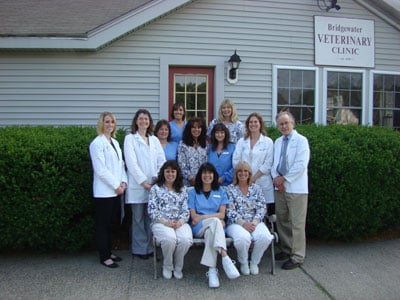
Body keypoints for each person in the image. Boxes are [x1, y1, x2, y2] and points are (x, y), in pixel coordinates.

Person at [188, 162, 240, 288]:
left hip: (213, 229)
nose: (207, 175)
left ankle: (212, 271)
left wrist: (203, 217)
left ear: (214, 175)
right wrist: (214, 218)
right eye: (204, 173)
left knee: (212, 231)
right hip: (198, 227)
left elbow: (223, 215)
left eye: (210, 173)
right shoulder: (192, 192)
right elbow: (194, 217)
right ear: (200, 175)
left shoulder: (221, 192)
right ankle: (225, 256)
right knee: (216, 222)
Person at [124, 109, 166, 259]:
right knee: (138, 218)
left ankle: (151, 248)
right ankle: (140, 249)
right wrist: (144, 182)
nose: (143, 121)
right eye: (141, 119)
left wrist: (156, 179)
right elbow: (131, 163)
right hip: (138, 185)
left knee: (151, 218)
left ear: (149, 122)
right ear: (136, 121)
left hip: (154, 185)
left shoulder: (154, 140)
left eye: (146, 119)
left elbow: (162, 160)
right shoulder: (130, 139)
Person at [271, 111, 310, 270]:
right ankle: (286, 250)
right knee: (282, 220)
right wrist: (276, 178)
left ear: (292, 123)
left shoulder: (301, 141)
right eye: (281, 124)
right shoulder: (278, 142)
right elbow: (274, 164)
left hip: (296, 188)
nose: (283, 126)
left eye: (286, 123)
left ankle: (297, 256)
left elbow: (301, 165)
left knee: (297, 223)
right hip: (280, 188)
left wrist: (284, 179)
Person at [89, 112, 127, 268]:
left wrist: (123, 182)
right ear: (101, 124)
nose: (110, 124)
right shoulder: (96, 144)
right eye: (107, 122)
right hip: (104, 192)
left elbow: (121, 165)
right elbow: (101, 170)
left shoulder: (115, 142)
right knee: (103, 225)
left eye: (112, 122)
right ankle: (104, 256)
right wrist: (116, 186)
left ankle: (109, 251)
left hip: (117, 191)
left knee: (112, 223)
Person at [226, 161, 274, 275]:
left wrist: (255, 222)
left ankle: (254, 262)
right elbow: (229, 210)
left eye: (246, 171)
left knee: (265, 237)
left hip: (254, 221)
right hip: (236, 223)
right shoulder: (229, 189)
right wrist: (243, 223)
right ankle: (243, 262)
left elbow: (262, 207)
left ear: (250, 173)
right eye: (240, 171)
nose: (243, 173)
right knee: (243, 238)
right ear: (236, 174)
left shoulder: (256, 188)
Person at [148, 160, 193, 279]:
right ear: (163, 173)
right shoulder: (155, 189)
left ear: (177, 173)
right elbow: (152, 210)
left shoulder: (183, 189)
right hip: (161, 222)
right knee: (169, 239)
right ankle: (167, 265)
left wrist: (180, 222)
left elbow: (185, 210)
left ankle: (178, 266)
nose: (170, 174)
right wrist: (165, 222)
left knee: (185, 240)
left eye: (173, 171)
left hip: (179, 222)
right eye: (167, 171)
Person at [233, 112, 275, 211]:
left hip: (262, 181)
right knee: (246, 211)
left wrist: (253, 177)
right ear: (247, 125)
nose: (253, 124)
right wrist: (245, 176)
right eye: (250, 122)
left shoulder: (268, 142)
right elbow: (236, 160)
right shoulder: (241, 141)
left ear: (260, 124)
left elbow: (268, 163)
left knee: (264, 212)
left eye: (255, 122)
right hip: (243, 181)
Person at [177, 116, 207, 186]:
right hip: (187, 183)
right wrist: (191, 178)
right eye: (193, 127)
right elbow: (181, 164)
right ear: (189, 129)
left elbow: (206, 163)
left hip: (203, 181)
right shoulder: (183, 144)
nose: (196, 130)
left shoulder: (205, 145)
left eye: (199, 127)